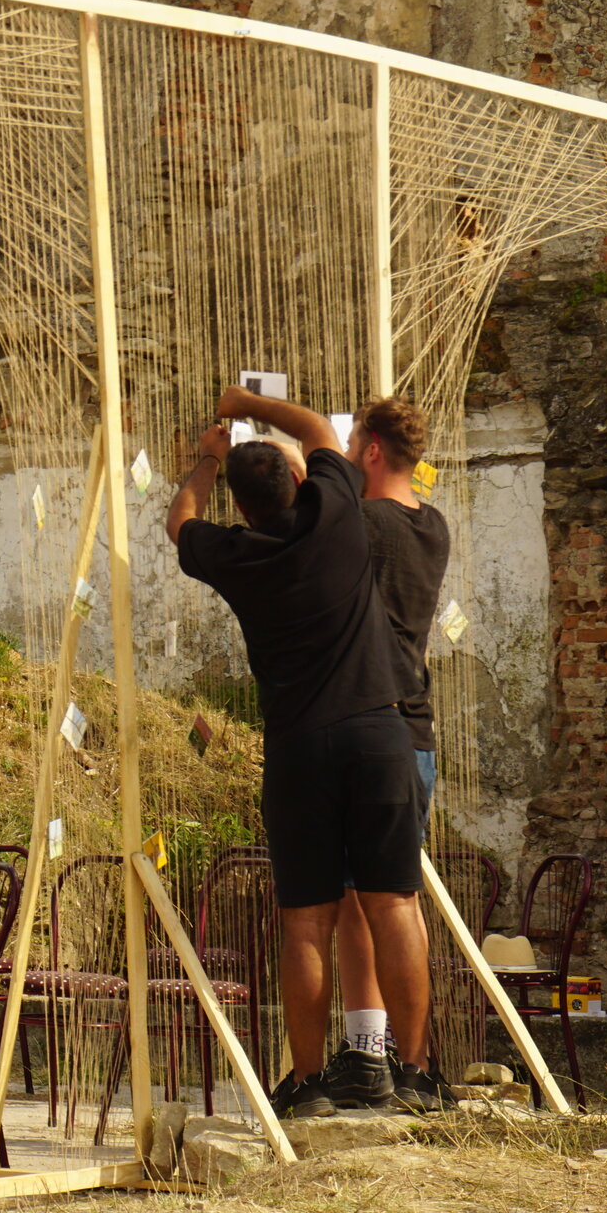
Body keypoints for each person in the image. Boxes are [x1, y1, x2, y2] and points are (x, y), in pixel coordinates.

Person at [167, 385, 442, 1118]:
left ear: (243, 506)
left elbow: (180, 522)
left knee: (306, 919)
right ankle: (411, 1071)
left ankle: (311, 1080)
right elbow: (320, 428)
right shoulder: (339, 514)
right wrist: (243, 399)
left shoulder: (235, 554)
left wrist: (205, 461)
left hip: (298, 748)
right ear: (299, 481)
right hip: (379, 734)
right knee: (394, 905)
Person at [330, 398, 450, 1105]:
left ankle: (381, 1051)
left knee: (365, 901)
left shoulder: (367, 522)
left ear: (372, 448)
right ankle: (401, 1056)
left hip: (377, 724)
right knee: (391, 897)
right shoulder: (430, 524)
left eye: (352, 444)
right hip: (418, 730)